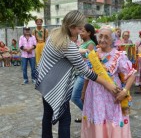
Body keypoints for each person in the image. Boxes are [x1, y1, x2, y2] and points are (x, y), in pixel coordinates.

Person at [35, 10, 118, 138]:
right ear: (71, 27)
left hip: (45, 81)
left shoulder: (55, 33)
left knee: (47, 114)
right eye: (79, 29)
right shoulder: (68, 45)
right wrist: (107, 84)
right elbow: (86, 71)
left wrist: (81, 50)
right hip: (56, 86)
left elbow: (62, 51)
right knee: (65, 118)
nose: (80, 32)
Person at [81, 28, 136, 138]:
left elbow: (131, 74)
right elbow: (88, 75)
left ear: (112, 40)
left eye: (106, 37)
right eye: (100, 36)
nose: (102, 39)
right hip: (94, 95)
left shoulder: (118, 55)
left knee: (111, 119)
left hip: (111, 96)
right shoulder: (93, 54)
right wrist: (83, 91)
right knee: (96, 118)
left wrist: (124, 92)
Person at [71, 23, 98, 123]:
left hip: (84, 74)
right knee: (83, 97)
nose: (80, 33)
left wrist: (77, 54)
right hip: (78, 73)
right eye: (80, 30)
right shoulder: (82, 43)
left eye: (83, 31)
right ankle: (87, 116)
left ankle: (89, 115)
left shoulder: (91, 44)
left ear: (89, 33)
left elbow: (89, 60)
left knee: (74, 97)